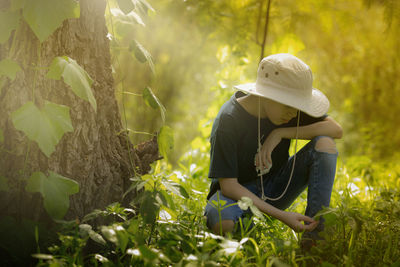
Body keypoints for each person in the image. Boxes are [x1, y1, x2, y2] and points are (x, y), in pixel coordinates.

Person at [204, 53, 343, 248]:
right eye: (289, 106)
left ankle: (314, 241)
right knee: (223, 222)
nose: (294, 113)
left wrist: (280, 133)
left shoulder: (287, 111)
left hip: (276, 186)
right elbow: (229, 186)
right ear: (266, 96)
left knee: (325, 143)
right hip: (236, 194)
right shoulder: (229, 120)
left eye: (298, 107)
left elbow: (336, 129)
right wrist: (283, 216)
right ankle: (244, 231)